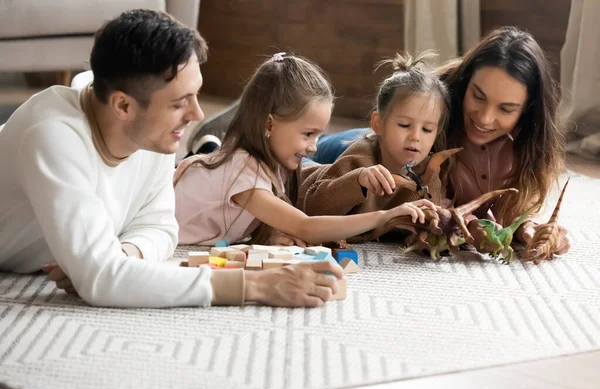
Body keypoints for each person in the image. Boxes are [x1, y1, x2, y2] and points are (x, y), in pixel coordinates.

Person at [0, 10, 346, 309]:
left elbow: (162, 228)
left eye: (196, 96)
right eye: (180, 103)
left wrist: (126, 254)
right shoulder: (53, 135)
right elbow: (100, 280)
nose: (196, 113)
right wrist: (254, 285)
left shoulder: (148, 131)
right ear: (123, 106)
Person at [308, 26, 571, 256]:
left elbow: (518, 210)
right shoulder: (436, 106)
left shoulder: (528, 148)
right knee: (305, 150)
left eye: (506, 109)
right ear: (466, 83)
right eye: (478, 97)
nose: (485, 118)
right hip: (368, 145)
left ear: (527, 110)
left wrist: (531, 228)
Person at [173, 52, 437, 247]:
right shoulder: (244, 170)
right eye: (308, 134)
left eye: (318, 135)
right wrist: (384, 216)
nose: (313, 146)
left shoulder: (276, 167)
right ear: (269, 123)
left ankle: (210, 145)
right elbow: (305, 226)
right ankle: (210, 144)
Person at [295, 51, 450, 243]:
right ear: (378, 123)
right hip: (299, 175)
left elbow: (424, 226)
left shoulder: (429, 171)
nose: (415, 137)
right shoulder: (361, 157)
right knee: (288, 150)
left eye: (427, 129)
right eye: (404, 125)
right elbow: (313, 209)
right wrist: (357, 181)